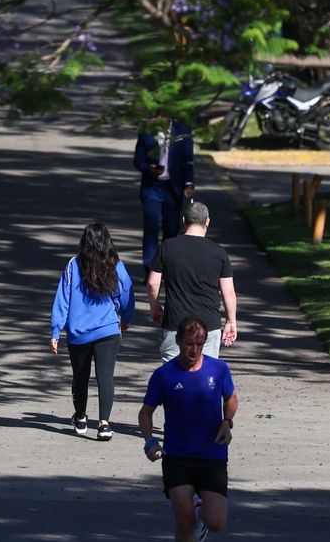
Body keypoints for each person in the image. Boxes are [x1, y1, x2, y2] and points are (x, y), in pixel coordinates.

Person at [139, 316, 239, 542]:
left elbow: (231, 398)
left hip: (212, 455)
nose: (194, 350)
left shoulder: (218, 370)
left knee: (216, 522)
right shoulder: (164, 375)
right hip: (178, 456)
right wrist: (150, 441)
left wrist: (227, 422)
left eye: (199, 344)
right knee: (183, 522)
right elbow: (146, 412)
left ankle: (201, 511)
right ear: (178, 342)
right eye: (188, 344)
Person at [49, 221, 135, 441]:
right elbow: (126, 291)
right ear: (107, 241)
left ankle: (80, 418)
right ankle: (104, 425)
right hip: (107, 330)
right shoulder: (115, 264)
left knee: (81, 376)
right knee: (105, 376)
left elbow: (63, 298)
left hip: (79, 333)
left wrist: (56, 330)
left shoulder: (73, 265)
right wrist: (126, 317)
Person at [149, 201, 238, 361]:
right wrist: (231, 321)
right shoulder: (219, 252)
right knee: (205, 376)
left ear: (183, 220)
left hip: (175, 323)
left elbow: (152, 283)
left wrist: (156, 307)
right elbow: (228, 291)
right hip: (208, 325)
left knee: (172, 376)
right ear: (207, 222)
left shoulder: (167, 247)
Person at [134, 117, 195, 272]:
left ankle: (167, 268)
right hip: (152, 186)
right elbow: (138, 160)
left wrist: (188, 183)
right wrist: (149, 169)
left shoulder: (183, 131)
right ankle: (149, 269)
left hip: (173, 187)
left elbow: (188, 159)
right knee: (151, 227)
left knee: (171, 228)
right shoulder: (147, 131)